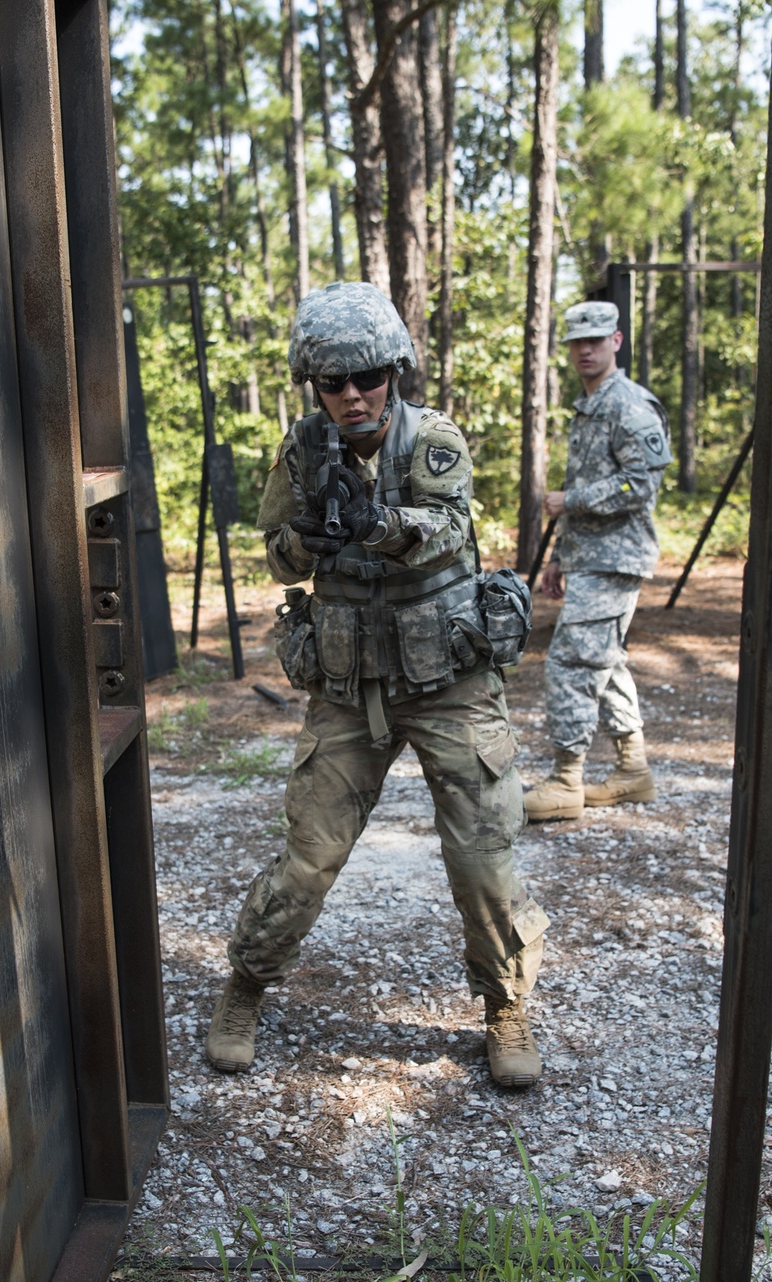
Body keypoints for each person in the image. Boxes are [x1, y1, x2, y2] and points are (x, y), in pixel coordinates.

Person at [206, 281, 549, 1088]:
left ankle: (505, 1003)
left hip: (447, 683)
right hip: (349, 684)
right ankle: (246, 987)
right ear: (314, 385)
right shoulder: (302, 451)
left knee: (484, 860)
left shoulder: (432, 439)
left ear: (393, 373)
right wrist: (309, 538)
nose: (353, 396)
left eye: (367, 378)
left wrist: (379, 525)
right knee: (308, 858)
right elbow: (276, 556)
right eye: (334, 383)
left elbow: (449, 529)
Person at [524, 300, 672, 822]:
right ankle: (633, 772)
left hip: (616, 558)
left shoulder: (629, 405)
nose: (585, 349)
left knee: (570, 662)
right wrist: (560, 556)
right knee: (604, 664)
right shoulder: (589, 406)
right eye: (576, 342)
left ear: (617, 340)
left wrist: (573, 501)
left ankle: (567, 779)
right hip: (589, 556)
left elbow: (640, 484)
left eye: (596, 339)